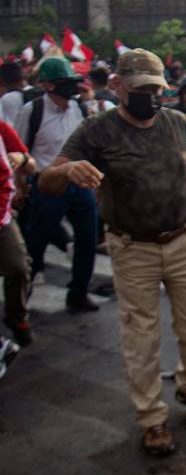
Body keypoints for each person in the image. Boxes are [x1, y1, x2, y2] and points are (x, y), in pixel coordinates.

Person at [37, 48, 186, 455]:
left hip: (183, 241)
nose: (150, 96)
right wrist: (66, 170)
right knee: (141, 337)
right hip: (132, 249)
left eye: (156, 89)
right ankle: (152, 418)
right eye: (141, 89)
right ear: (119, 87)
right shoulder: (97, 130)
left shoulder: (177, 123)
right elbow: (46, 182)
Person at [14, 57, 100, 314]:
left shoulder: (79, 109)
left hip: (79, 185)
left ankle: (79, 293)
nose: (72, 87)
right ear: (49, 86)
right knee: (36, 243)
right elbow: (21, 151)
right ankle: (20, 303)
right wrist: (21, 186)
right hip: (46, 184)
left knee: (87, 240)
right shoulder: (34, 110)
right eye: (65, 82)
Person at [0, 119, 36, 346]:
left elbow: (31, 165)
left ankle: (17, 318)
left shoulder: (2, 129)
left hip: (2, 216)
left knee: (19, 267)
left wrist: (22, 159)